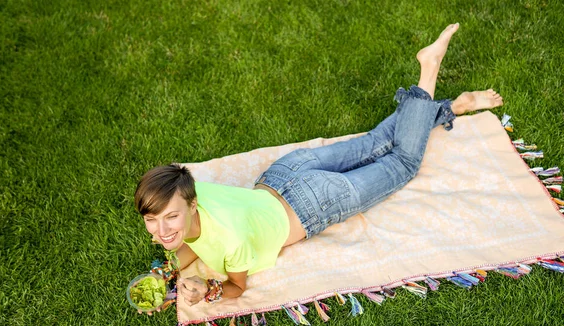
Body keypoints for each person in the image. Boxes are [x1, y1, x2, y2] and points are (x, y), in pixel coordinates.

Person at [134, 23, 504, 307]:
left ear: (190, 206)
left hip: (315, 204)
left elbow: (236, 286)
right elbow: (191, 245)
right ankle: (446, 109)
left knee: (403, 163)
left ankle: (429, 71)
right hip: (284, 173)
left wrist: (207, 291)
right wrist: (166, 274)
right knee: (377, 141)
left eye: (169, 218)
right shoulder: (190, 189)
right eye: (153, 219)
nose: (161, 229)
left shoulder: (230, 242)